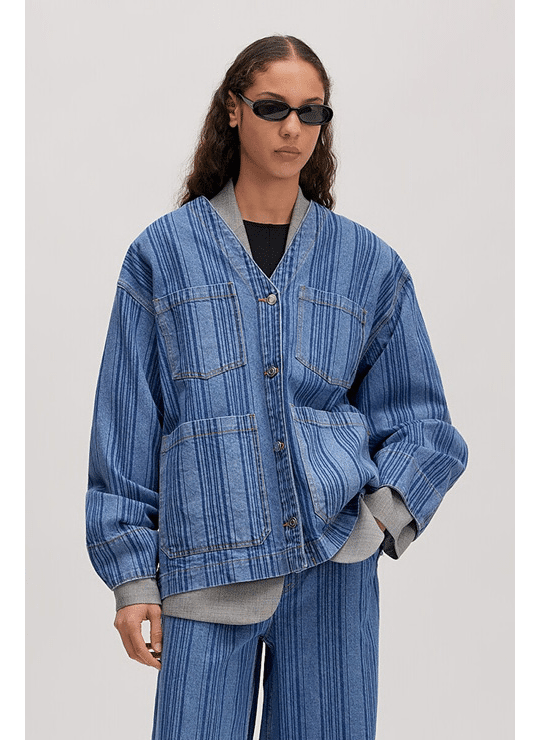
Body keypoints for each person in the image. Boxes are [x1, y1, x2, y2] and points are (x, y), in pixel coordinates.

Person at [85, 34, 468, 740]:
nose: (294, 128)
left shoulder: (366, 264)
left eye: (311, 112)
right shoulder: (163, 256)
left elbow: (425, 422)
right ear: (233, 110)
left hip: (333, 576)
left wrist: (381, 518)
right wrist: (133, 576)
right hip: (206, 569)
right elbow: (128, 423)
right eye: (273, 107)